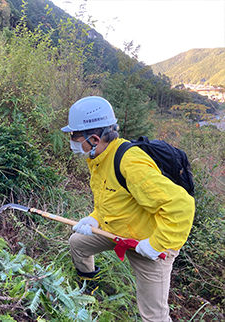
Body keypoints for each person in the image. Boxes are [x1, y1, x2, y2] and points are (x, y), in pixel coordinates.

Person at [61, 96, 195, 322]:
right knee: (78, 244)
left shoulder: (129, 162)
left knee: (154, 316)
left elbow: (180, 205)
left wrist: (156, 245)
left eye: (73, 136)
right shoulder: (99, 157)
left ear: (94, 138)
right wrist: (94, 219)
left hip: (151, 245)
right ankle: (88, 290)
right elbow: (115, 198)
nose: (71, 141)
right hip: (117, 232)